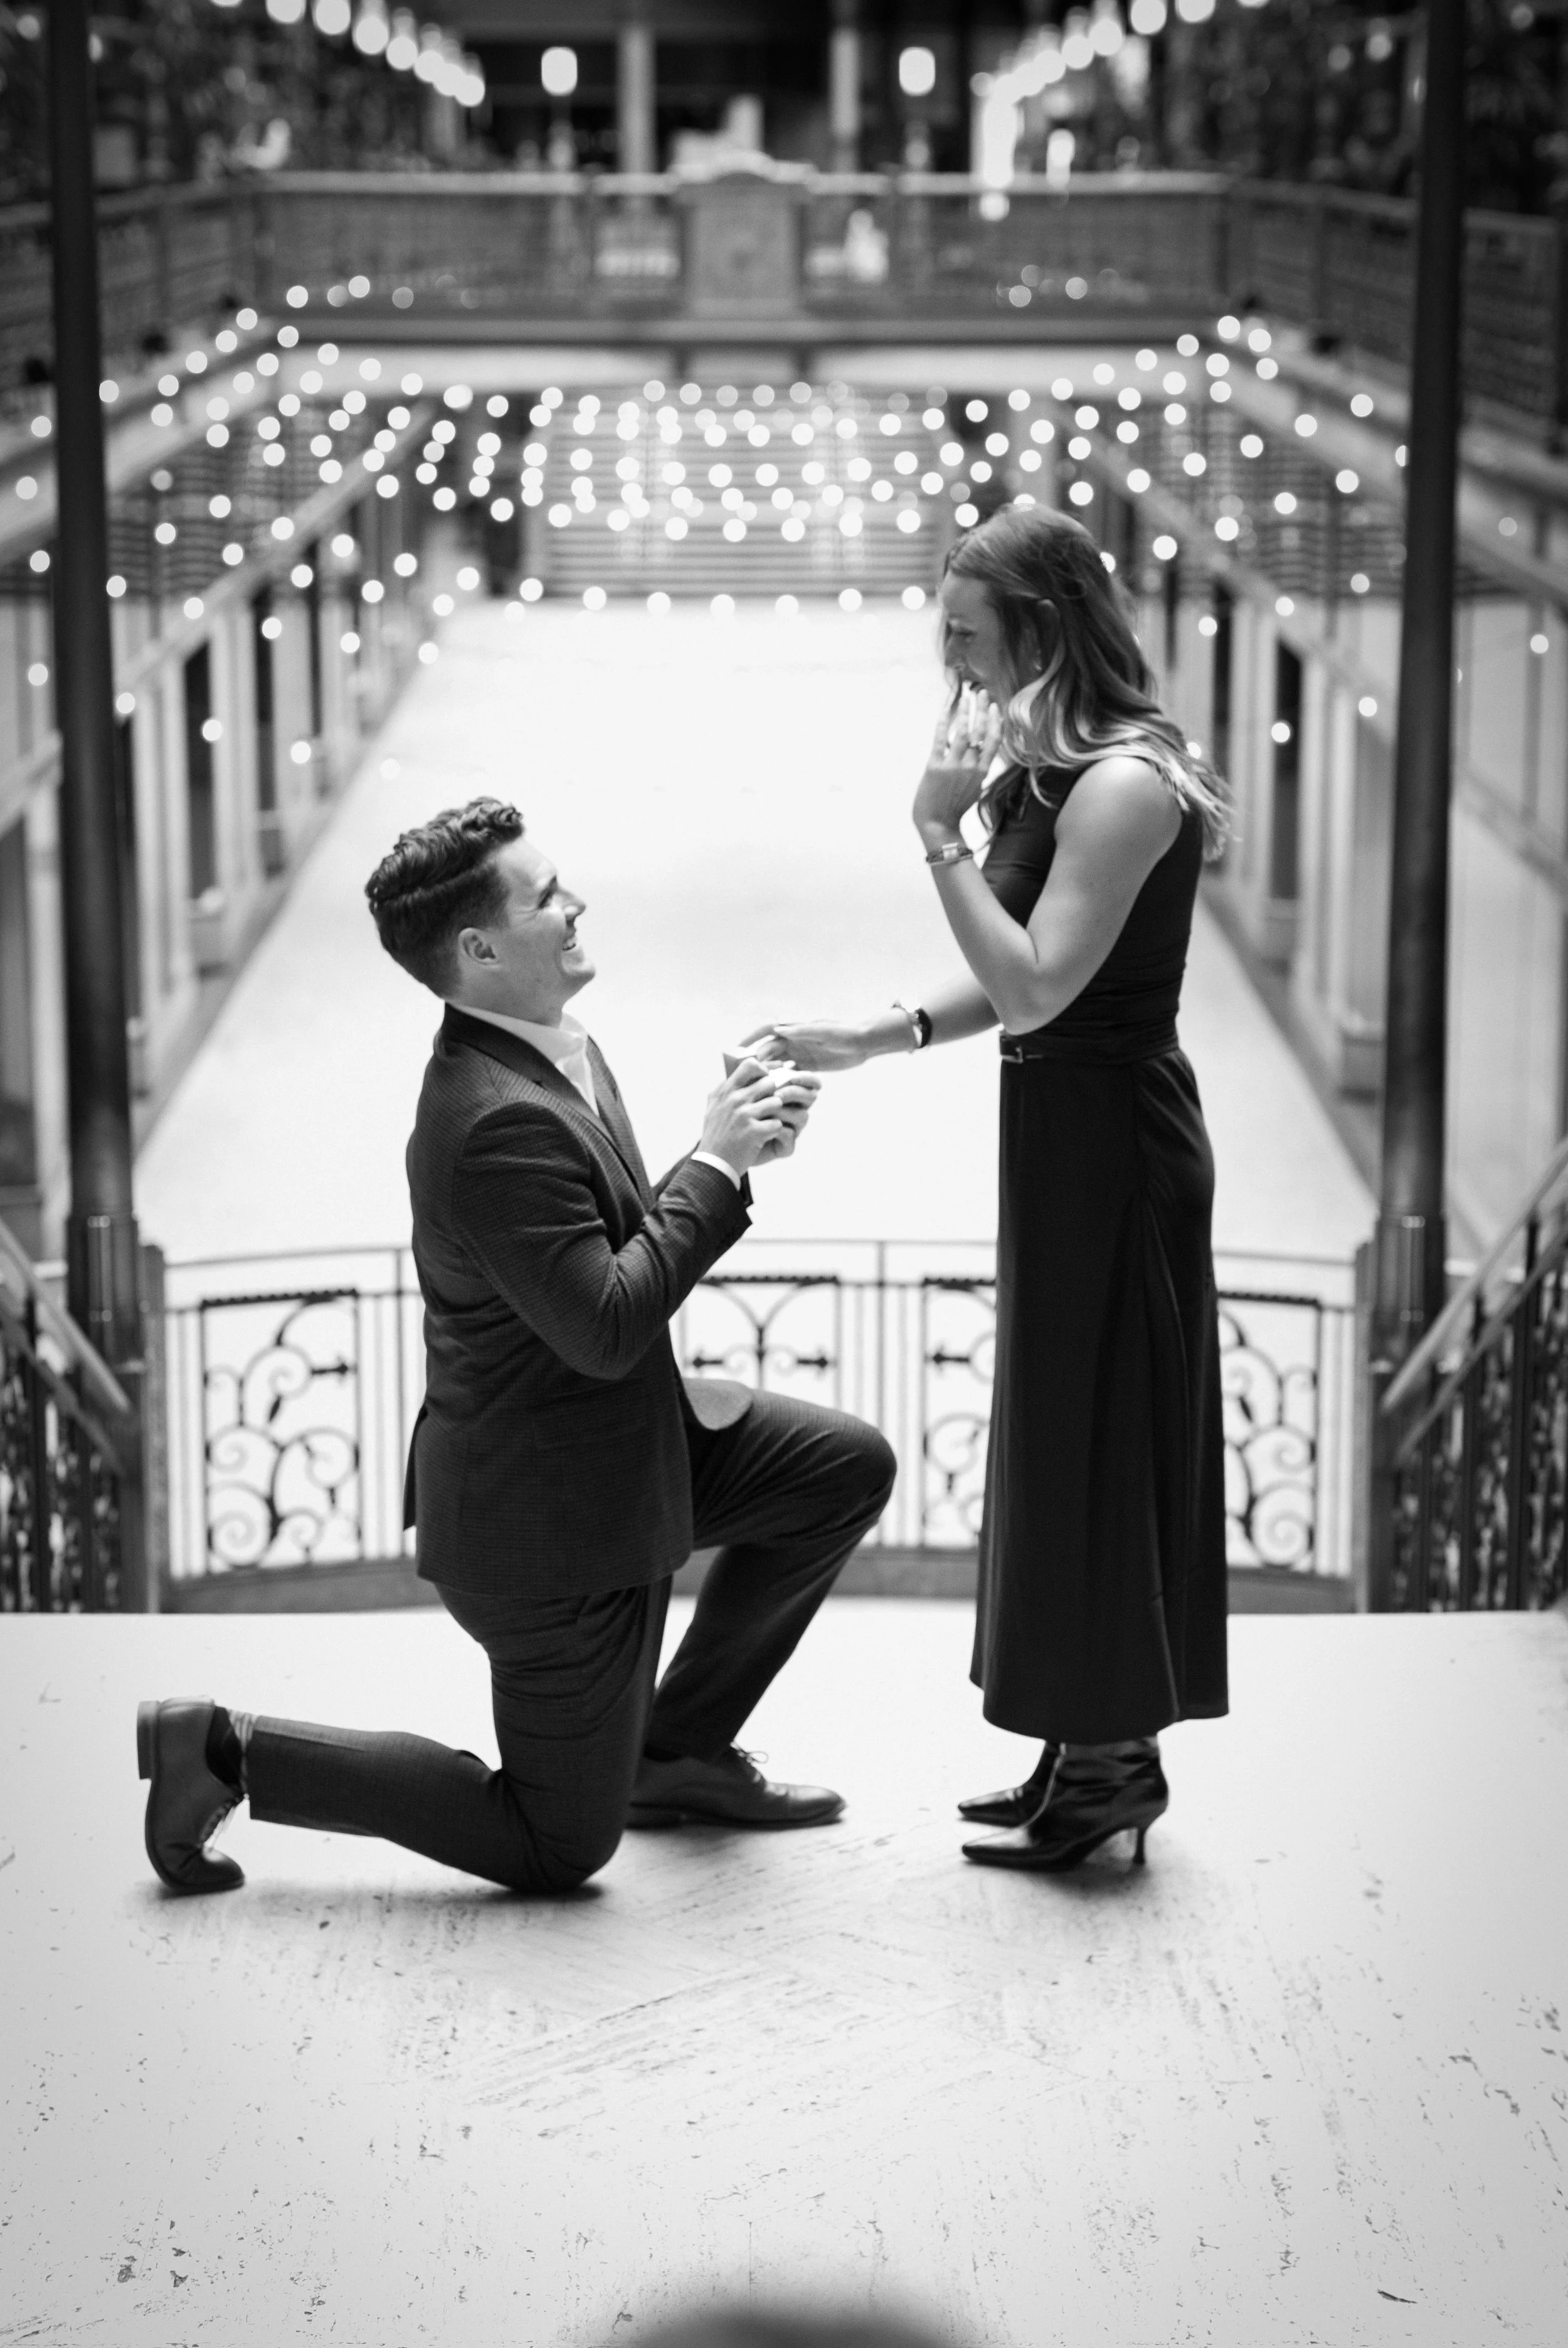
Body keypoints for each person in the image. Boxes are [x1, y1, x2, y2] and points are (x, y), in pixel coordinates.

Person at [138, 799, 896, 1897]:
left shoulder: (550, 1047)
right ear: (478, 949)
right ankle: (221, 1749)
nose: (575, 902)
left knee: (843, 1467)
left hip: (630, 1446)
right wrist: (718, 1166)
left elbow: (619, 1249)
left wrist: (727, 1136)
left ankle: (675, 1749)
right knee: (558, 1847)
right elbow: (602, 1325)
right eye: (546, 897)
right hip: (548, 1528)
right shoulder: (492, 1119)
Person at [746, 504, 1229, 1872]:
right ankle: (1079, 1741)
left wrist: (934, 833)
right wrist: (879, 1032)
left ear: (1040, 621)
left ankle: (1113, 1764)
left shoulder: (1126, 782)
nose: (946, 657)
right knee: (1056, 1433)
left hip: (1118, 1147)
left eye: (964, 631)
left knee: (1103, 1433)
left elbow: (1038, 981)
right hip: (1060, 1132)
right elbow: (1014, 980)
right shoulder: (1045, 757)